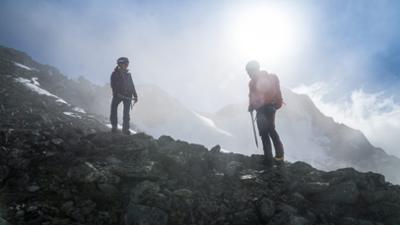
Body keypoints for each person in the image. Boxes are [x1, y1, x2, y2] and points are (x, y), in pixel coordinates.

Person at [246, 60, 284, 166]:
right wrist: (251, 106)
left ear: (254, 69)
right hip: (270, 108)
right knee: (270, 131)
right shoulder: (268, 78)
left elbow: (254, 96)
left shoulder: (255, 82)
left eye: (249, 71)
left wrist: (252, 106)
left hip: (263, 109)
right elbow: (253, 96)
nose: (249, 74)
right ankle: (278, 157)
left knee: (265, 133)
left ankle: (269, 158)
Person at [110, 57, 138, 135]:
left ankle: (125, 130)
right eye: (125, 64)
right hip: (118, 95)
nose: (127, 65)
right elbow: (113, 84)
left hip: (127, 96)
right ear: (120, 64)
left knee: (126, 113)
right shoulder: (115, 74)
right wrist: (115, 92)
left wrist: (135, 96)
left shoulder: (128, 75)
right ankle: (114, 127)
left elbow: (132, 86)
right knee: (113, 110)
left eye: (127, 64)